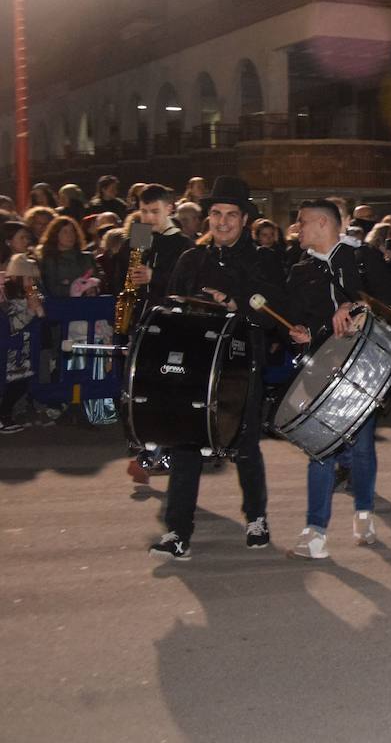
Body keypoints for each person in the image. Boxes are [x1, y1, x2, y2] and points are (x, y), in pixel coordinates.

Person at [148, 176, 287, 560]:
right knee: (185, 444)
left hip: (243, 366)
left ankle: (256, 517)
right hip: (194, 367)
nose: (222, 222)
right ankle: (178, 532)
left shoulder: (263, 260)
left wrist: (234, 304)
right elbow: (169, 308)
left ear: (244, 219)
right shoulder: (191, 259)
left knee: (245, 444)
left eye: (230, 215)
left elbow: (275, 315)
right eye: (215, 214)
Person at [282, 199, 383, 560]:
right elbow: (297, 318)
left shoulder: (362, 260)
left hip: (363, 367)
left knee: (362, 447)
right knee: (319, 446)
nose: (297, 229)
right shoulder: (299, 270)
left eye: (302, 222)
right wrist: (299, 331)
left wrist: (356, 306)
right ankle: (316, 531)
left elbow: (388, 303)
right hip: (320, 368)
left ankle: (364, 513)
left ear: (324, 223)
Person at [112, 184, 194, 482]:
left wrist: (154, 277)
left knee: (163, 387)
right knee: (139, 386)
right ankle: (146, 447)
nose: (148, 217)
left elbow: (184, 285)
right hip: (141, 319)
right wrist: (128, 256)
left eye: (154, 212)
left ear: (170, 209)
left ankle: (162, 450)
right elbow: (123, 272)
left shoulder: (183, 243)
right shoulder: (141, 234)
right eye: (143, 211)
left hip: (169, 322)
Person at [1, 223, 43, 433]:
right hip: (12, 330)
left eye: (27, 238)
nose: (26, 242)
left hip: (24, 333)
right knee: (11, 377)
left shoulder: (27, 264)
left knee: (23, 376)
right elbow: (10, 305)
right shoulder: (7, 271)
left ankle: (7, 414)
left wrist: (34, 296)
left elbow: (35, 295)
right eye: (21, 238)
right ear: (8, 241)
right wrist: (31, 307)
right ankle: (4, 415)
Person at [37, 216, 98, 298]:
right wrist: (77, 289)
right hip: (63, 305)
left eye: (72, 231)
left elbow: (98, 279)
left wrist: (93, 287)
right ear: (55, 235)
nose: (70, 235)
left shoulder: (87, 257)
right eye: (65, 232)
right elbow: (51, 288)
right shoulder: (49, 260)